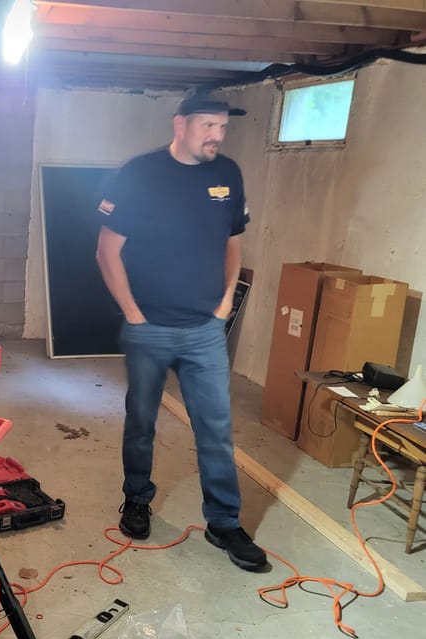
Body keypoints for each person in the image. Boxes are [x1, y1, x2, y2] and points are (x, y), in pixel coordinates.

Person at [94, 95, 267, 572]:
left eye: (223, 126)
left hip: (204, 331)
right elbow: (107, 251)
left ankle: (224, 523)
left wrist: (226, 301)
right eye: (208, 124)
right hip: (148, 327)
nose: (217, 134)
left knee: (215, 428)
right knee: (142, 422)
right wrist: (132, 313)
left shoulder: (227, 174)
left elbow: (234, 242)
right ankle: (137, 499)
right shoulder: (140, 174)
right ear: (181, 124)